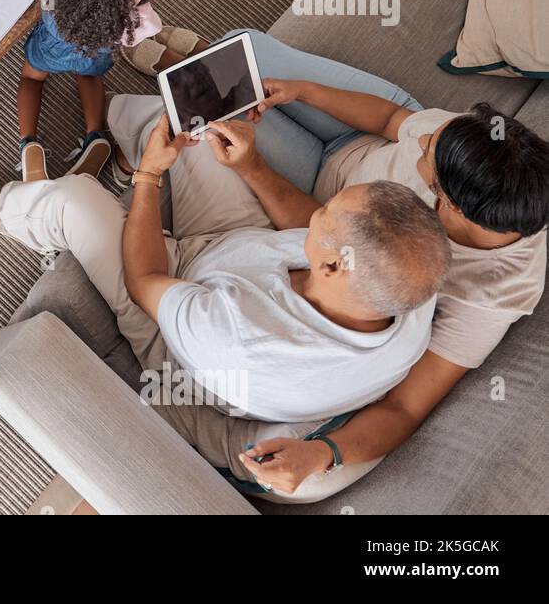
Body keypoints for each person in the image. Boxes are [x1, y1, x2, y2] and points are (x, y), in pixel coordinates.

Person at [151, 29, 549, 500]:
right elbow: (391, 117)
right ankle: (167, 56)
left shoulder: (487, 295)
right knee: (243, 52)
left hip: (319, 203)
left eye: (425, 155)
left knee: (203, 118)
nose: (420, 141)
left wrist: (322, 454)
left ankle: (161, 68)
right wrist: (305, 92)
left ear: (450, 206)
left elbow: (404, 407)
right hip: (352, 143)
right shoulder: (474, 147)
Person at [0, 101, 452, 425]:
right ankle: (127, 136)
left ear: (330, 269)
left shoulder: (241, 338)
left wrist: (150, 176)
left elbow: (145, 281)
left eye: (326, 212)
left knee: (73, 198)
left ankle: (23, 213)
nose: (317, 210)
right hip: (240, 251)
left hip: (174, 317)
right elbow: (308, 230)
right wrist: (251, 167)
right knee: (193, 121)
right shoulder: (411, 277)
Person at [15, 0, 207, 184]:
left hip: (53, 43)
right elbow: (143, 33)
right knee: (90, 76)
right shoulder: (133, 17)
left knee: (31, 77)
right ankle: (95, 134)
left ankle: (29, 142)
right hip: (97, 51)